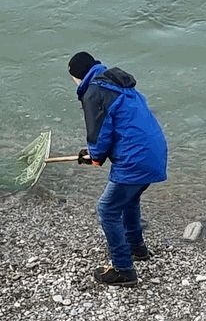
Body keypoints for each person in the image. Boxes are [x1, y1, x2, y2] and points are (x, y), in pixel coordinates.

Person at [68, 51, 168, 287]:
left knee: (107, 209)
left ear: (77, 75)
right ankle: (137, 248)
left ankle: (123, 269)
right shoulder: (116, 84)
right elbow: (119, 127)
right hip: (153, 151)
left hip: (135, 158)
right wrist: (94, 154)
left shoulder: (94, 91)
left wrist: (94, 155)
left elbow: (100, 132)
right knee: (129, 200)